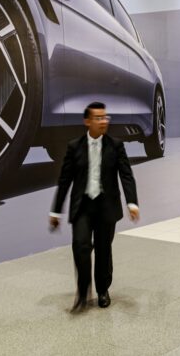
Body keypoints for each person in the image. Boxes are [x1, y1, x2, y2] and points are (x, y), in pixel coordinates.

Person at [49, 102, 139, 313]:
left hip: (107, 207)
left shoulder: (116, 145)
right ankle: (82, 291)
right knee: (80, 246)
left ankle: (102, 290)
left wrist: (132, 203)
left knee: (103, 249)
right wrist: (55, 210)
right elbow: (65, 180)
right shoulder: (74, 147)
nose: (103, 121)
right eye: (98, 118)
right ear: (87, 121)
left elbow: (126, 175)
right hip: (82, 207)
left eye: (105, 117)